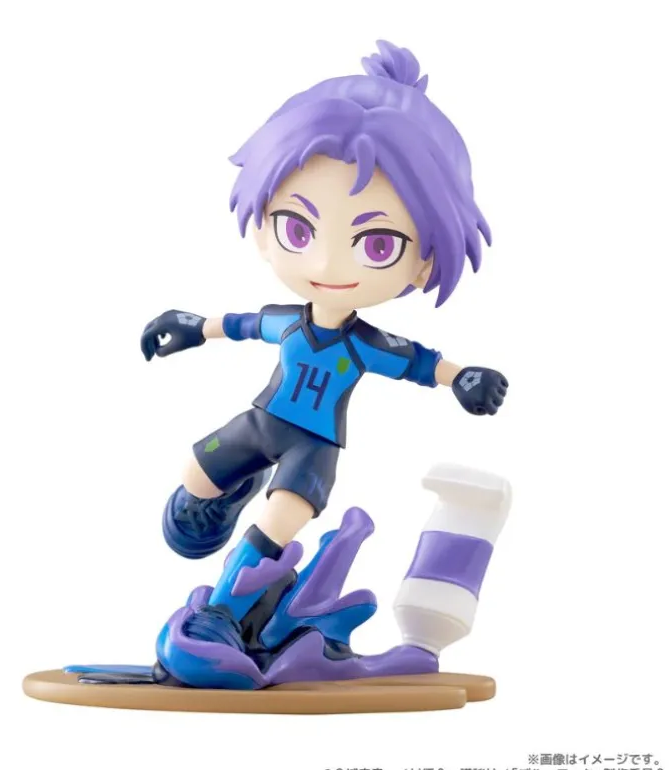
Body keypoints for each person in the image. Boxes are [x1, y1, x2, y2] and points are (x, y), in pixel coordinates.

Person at [141, 40, 508, 682]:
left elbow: (419, 362)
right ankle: (222, 499)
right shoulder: (288, 322)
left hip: (313, 448)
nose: (327, 264)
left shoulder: (363, 345)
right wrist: (193, 327)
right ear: (264, 228)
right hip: (260, 423)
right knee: (193, 479)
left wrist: (463, 377)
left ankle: (222, 612)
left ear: (422, 262)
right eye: (298, 230)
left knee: (281, 521)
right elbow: (241, 324)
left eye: (376, 244)